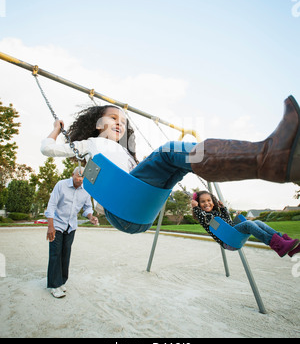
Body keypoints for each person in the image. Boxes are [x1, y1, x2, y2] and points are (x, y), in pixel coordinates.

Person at [41, 95, 300, 234]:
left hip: (141, 212)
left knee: (181, 161)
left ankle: (276, 162)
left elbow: (137, 178)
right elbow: (47, 149)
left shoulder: (127, 155)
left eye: (123, 121)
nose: (120, 123)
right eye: (112, 118)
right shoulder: (90, 144)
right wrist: (55, 130)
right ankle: (270, 157)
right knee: (170, 152)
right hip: (122, 209)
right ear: (98, 125)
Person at [191, 190, 300, 257]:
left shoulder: (215, 213)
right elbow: (205, 218)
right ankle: (279, 246)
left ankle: (286, 243)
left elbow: (227, 220)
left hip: (232, 233)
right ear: (198, 204)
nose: (207, 203)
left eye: (209, 200)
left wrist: (223, 208)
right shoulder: (205, 218)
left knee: (257, 222)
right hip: (229, 240)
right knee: (248, 224)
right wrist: (195, 207)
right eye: (203, 202)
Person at [45, 167, 99, 298]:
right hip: (57, 224)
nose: (80, 179)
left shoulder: (86, 190)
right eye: (78, 176)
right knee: (55, 253)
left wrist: (91, 217)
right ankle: (54, 285)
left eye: (82, 177)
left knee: (65, 254)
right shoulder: (61, 185)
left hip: (71, 226)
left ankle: (61, 281)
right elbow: (51, 205)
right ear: (72, 174)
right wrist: (50, 226)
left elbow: (87, 208)